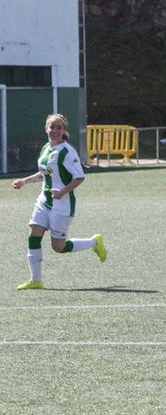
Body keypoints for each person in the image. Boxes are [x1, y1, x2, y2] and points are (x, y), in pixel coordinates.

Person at [11, 113, 107, 290]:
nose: (55, 130)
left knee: (59, 247)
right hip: (44, 201)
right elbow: (45, 173)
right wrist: (24, 181)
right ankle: (36, 280)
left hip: (62, 205)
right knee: (33, 235)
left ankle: (94, 242)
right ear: (46, 128)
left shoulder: (67, 152)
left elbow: (79, 177)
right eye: (52, 127)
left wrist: (62, 192)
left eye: (59, 127)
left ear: (63, 131)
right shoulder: (46, 148)